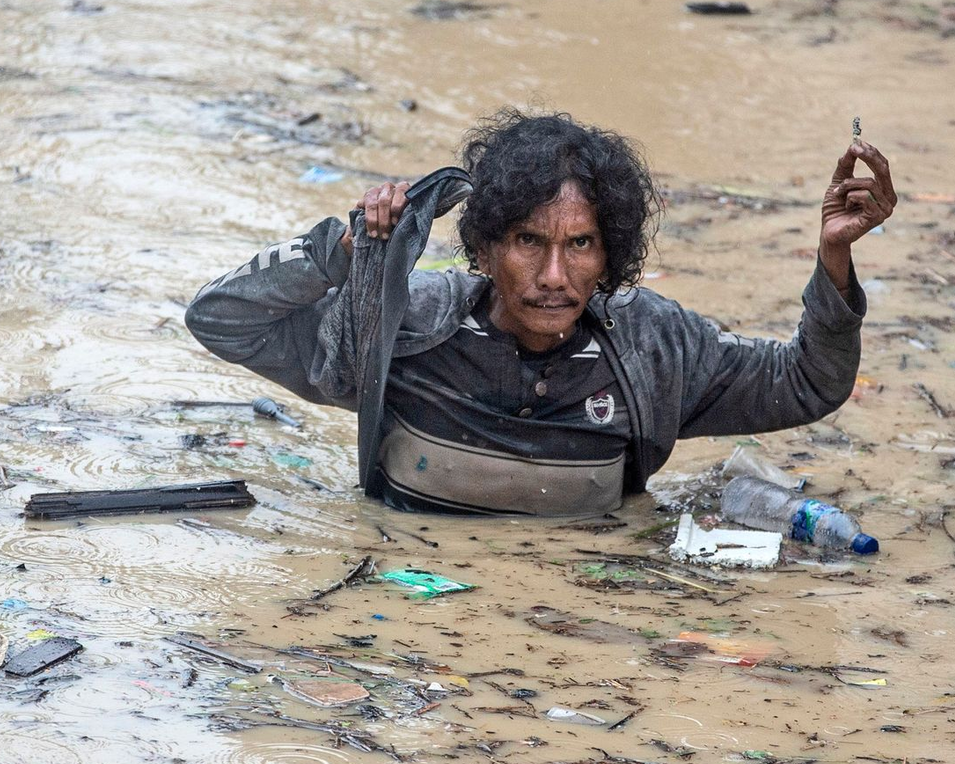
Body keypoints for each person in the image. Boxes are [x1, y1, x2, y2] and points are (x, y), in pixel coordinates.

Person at [184, 109, 895, 515]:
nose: (555, 276)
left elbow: (809, 382)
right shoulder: (404, 325)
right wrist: (336, 252)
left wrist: (834, 258)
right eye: (529, 241)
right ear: (486, 246)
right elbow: (219, 319)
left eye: (581, 245)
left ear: (609, 255)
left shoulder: (653, 350)